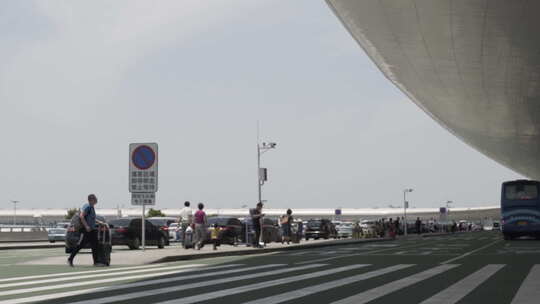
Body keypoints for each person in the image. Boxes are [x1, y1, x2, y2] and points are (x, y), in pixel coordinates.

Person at [68, 194, 105, 267]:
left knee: (95, 245)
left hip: (91, 230)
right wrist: (86, 226)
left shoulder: (91, 207)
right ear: (91, 200)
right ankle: (70, 258)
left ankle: (96, 262)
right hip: (87, 230)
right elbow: (82, 216)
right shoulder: (88, 207)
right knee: (81, 245)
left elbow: (91, 218)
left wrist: (98, 222)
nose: (96, 200)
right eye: (95, 199)